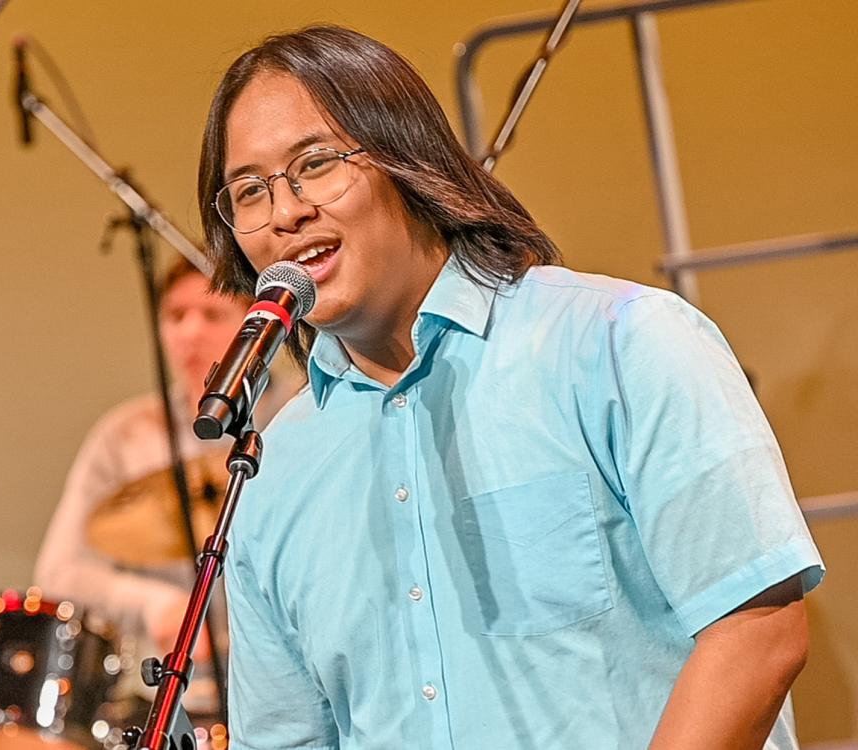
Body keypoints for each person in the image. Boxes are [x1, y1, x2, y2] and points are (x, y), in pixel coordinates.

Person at [196, 25, 825, 750]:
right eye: (250, 191)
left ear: (406, 157)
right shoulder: (274, 471)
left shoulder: (621, 342)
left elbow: (757, 629)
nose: (285, 212)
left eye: (315, 164)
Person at [34, 256, 298, 719]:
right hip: (164, 697)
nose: (189, 333)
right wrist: (153, 604)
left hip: (291, 686)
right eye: (176, 316)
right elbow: (60, 573)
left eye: (212, 314)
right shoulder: (125, 434)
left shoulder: (303, 416)